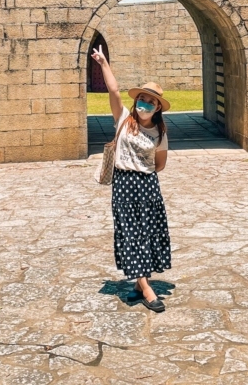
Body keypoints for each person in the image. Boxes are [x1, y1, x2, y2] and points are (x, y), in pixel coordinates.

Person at [90, 44, 171, 313]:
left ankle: (139, 282)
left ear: (158, 107)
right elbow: (113, 91)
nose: (144, 104)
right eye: (142, 99)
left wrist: (142, 172)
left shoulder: (159, 132)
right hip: (124, 184)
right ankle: (147, 288)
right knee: (132, 233)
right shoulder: (124, 119)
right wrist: (102, 62)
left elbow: (160, 164)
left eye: (151, 102)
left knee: (148, 232)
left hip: (147, 185)